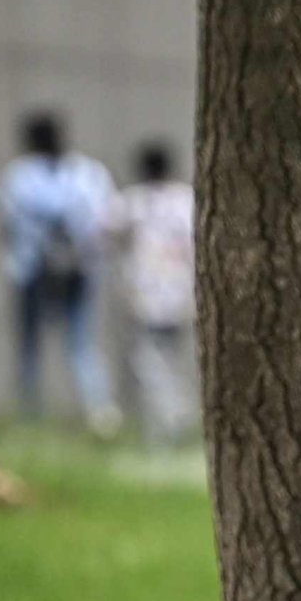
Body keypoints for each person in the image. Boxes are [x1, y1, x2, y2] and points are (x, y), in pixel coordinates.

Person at [0, 110, 115, 431]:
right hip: (39, 270)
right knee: (53, 345)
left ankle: (93, 414)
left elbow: (8, 226)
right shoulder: (86, 174)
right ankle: (50, 414)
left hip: (64, 271)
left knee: (64, 344)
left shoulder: (21, 177)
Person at [110, 140, 198, 445]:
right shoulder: (186, 201)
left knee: (149, 361)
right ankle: (174, 412)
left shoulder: (133, 202)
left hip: (145, 294)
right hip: (180, 291)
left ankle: (171, 413)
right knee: (170, 357)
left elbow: (104, 230)